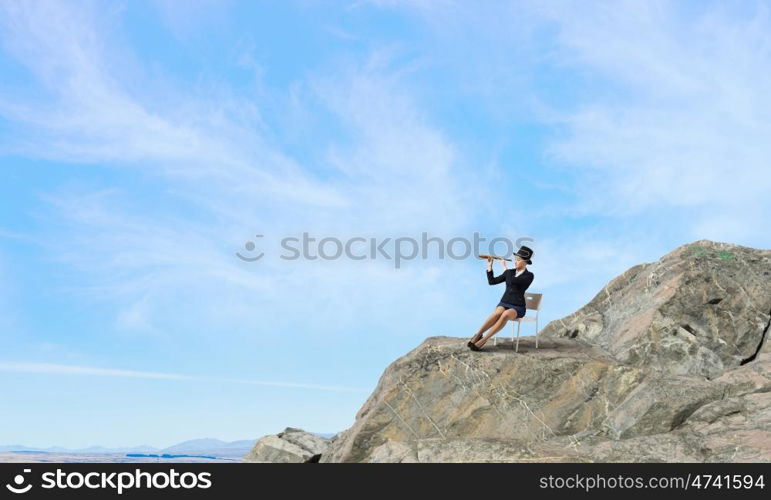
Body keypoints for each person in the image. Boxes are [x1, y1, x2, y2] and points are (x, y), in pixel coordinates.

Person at [468, 245, 534, 351]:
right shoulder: (510, 272)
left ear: (525, 262)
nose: (515, 262)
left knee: (505, 315)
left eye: (518, 260)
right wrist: (490, 267)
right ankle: (478, 335)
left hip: (518, 306)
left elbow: (513, 281)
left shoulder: (529, 275)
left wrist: (504, 268)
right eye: (515, 259)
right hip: (505, 302)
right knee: (497, 313)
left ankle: (485, 339)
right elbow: (492, 281)